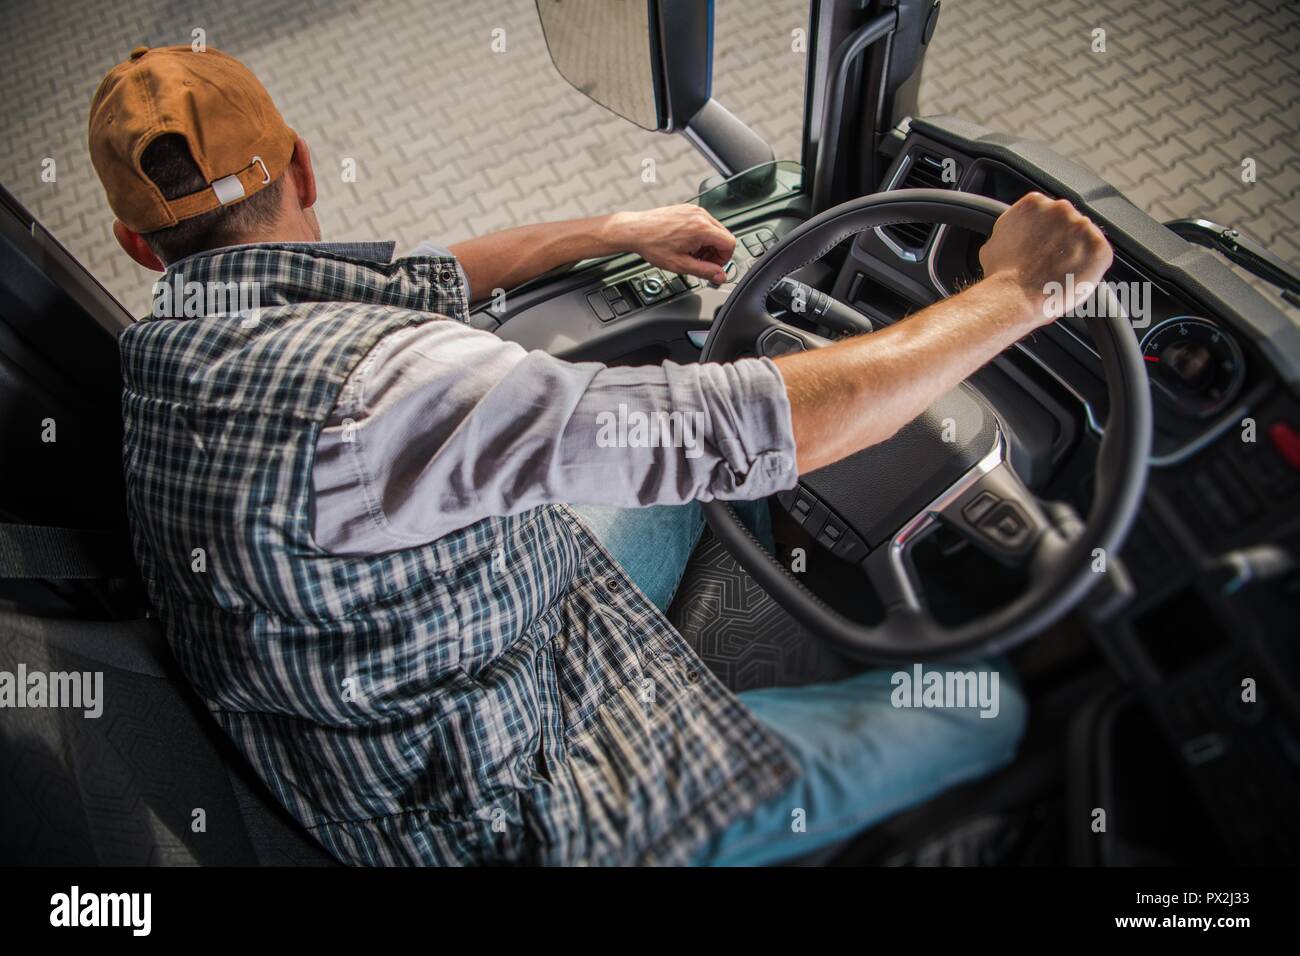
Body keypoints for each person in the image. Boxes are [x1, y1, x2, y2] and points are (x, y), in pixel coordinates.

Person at [88, 45, 1110, 866]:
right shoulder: (389, 392)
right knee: (985, 704)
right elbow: (769, 428)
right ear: (304, 165)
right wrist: (1019, 292)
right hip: (510, 812)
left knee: (695, 499)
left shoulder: (168, 344)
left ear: (139, 247)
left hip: (392, 714)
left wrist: (616, 229)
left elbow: (426, 274)